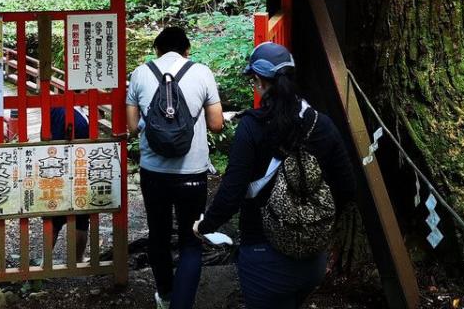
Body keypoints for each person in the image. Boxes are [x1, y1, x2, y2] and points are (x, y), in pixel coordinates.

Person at [194, 42, 355, 309]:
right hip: (313, 261)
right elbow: (347, 187)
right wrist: (311, 220)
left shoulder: (252, 127)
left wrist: (205, 226)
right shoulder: (322, 124)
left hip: (264, 258)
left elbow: (231, 193)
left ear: (258, 81)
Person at [127, 26, 224, 309]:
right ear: (187, 50)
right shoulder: (202, 71)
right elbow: (216, 124)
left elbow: (132, 128)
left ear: (157, 49)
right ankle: (183, 304)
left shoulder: (140, 73)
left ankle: (165, 297)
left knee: (158, 235)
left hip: (153, 172)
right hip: (192, 173)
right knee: (191, 239)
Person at [49, 105, 90, 262]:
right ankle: (77, 259)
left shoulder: (54, 107)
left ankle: (45, 261)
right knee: (81, 219)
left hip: (54, 167)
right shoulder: (80, 119)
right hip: (76, 167)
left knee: (53, 218)